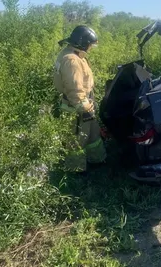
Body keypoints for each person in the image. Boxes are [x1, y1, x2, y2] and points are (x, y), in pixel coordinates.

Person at [53, 25, 107, 173]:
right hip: (77, 108)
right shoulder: (72, 61)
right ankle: (76, 171)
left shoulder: (73, 54)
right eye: (90, 44)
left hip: (84, 104)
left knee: (92, 135)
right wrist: (85, 109)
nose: (91, 47)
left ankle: (96, 160)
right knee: (77, 141)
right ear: (83, 43)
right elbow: (74, 89)